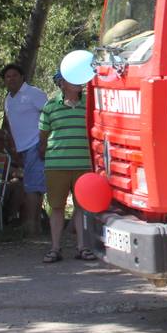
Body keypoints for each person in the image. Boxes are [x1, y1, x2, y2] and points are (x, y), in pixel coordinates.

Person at [39, 76, 97, 262]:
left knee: (82, 208)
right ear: (62, 84)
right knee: (57, 207)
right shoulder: (49, 106)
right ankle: (55, 248)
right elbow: (43, 137)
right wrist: (47, 157)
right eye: (72, 80)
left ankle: (82, 248)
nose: (78, 83)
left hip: (84, 165)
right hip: (57, 166)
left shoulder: (89, 105)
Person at [1, 63, 48, 234]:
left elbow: (49, 116)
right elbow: (11, 126)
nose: (11, 79)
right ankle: (32, 223)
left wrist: (44, 143)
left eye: (14, 75)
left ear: (22, 77)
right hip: (23, 149)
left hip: (36, 144)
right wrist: (15, 149)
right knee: (31, 185)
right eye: (7, 76)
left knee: (33, 186)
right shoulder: (8, 100)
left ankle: (32, 224)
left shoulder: (34, 94)